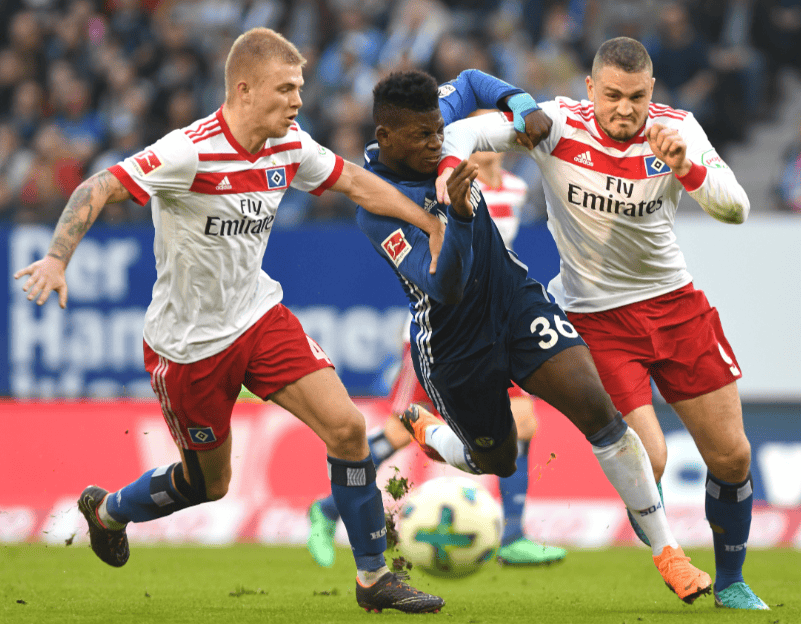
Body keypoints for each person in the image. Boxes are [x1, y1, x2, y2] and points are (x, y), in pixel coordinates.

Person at [13, 28, 449, 615]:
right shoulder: (188, 152)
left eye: (299, 87)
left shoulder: (288, 145)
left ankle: (374, 577)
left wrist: (426, 221)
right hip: (189, 347)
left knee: (348, 429)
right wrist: (57, 258)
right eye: (285, 88)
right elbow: (99, 186)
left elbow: (351, 180)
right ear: (244, 89)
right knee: (208, 485)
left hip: (258, 318)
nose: (298, 100)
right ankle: (109, 510)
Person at [354, 68, 712, 605]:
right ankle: (437, 437)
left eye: (438, 131)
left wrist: (520, 103)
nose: (436, 143)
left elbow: (470, 82)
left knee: (599, 411)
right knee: (496, 461)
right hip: (454, 344)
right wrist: (457, 215)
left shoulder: (432, 124)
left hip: (516, 304)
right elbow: (445, 287)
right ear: (386, 137)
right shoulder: (377, 207)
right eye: (423, 136)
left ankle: (669, 552)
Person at [439, 36, 767, 611]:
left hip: (676, 308)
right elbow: (464, 133)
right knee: (651, 458)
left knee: (732, 456)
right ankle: (671, 554)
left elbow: (735, 208)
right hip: (597, 320)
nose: (624, 109)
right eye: (612, 95)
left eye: (636, 97)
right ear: (590, 88)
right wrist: (450, 168)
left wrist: (685, 166)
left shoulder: (677, 129)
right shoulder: (556, 126)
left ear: (652, 91)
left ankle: (732, 582)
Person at [308, 146, 567, 568]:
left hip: (492, 329)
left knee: (524, 421)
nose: (488, 143)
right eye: (479, 133)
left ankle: (513, 535)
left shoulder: (516, 188)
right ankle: (328, 508)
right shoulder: (447, 187)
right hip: (440, 332)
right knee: (399, 431)